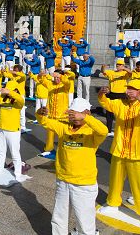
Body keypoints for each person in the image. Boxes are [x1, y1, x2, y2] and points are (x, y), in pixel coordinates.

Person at [98, 80, 140, 232]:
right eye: (128, 88)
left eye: (133, 89)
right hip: (119, 150)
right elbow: (105, 103)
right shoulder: (120, 104)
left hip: (137, 153)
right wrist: (102, 93)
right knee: (115, 180)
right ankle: (113, 204)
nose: (129, 91)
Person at [36, 98, 107, 235]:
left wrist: (85, 117)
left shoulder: (92, 132)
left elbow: (103, 131)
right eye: (72, 114)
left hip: (83, 184)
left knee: (84, 222)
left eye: (78, 114)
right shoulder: (64, 127)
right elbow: (44, 122)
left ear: (87, 113)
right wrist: (40, 113)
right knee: (59, 217)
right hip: (63, 180)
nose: (74, 118)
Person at [0, 80, 26, 181]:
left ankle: (18, 173)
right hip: (1, 128)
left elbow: (21, 100)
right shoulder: (3, 99)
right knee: (1, 150)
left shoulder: (18, 100)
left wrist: (9, 92)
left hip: (13, 130)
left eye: (8, 89)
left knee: (15, 153)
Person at [37, 70, 72, 156]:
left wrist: (60, 76)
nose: (56, 79)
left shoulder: (65, 86)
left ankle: (64, 151)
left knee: (63, 136)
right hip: (51, 115)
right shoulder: (50, 84)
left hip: (62, 116)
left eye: (58, 77)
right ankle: (48, 149)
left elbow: (67, 82)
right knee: (50, 134)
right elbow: (41, 80)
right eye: (55, 77)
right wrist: (41, 74)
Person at [101, 60, 131, 136]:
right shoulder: (112, 72)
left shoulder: (125, 73)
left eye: (120, 65)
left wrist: (124, 68)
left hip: (121, 94)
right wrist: (103, 67)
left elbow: (131, 74)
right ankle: (109, 130)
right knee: (109, 112)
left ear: (123, 65)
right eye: (117, 65)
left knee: (122, 112)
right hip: (111, 94)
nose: (118, 66)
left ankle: (124, 128)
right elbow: (104, 72)